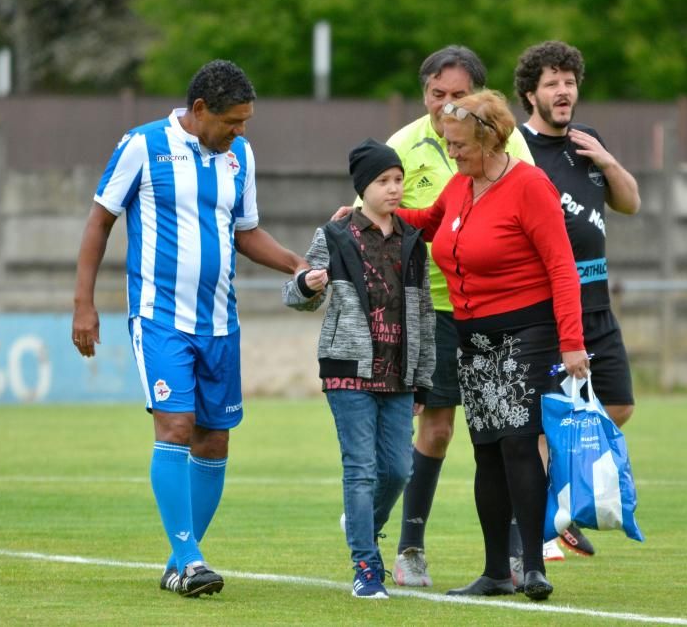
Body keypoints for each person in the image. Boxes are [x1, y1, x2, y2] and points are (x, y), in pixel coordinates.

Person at [71, 60, 309, 598]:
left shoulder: (239, 156)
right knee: (176, 429)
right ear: (200, 110)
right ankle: (191, 557)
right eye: (232, 121)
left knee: (214, 439)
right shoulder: (143, 145)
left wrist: (297, 264)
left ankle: (182, 561)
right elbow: (100, 221)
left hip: (220, 322)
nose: (241, 131)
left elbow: (246, 233)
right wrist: (83, 304)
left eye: (246, 121)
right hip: (160, 319)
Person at [394, 89, 589, 601]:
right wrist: (376, 213)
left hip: (528, 334)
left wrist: (573, 343)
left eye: (458, 144)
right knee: (486, 453)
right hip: (472, 339)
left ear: (489, 137)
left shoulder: (530, 186)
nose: (451, 153)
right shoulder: (460, 186)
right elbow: (428, 224)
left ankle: (533, 566)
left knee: (519, 445)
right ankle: (496, 571)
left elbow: (562, 268)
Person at [284, 139, 436, 599]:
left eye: (398, 181)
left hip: (398, 374)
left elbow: (425, 313)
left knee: (398, 470)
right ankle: (366, 567)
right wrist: (307, 284)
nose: (394, 189)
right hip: (347, 370)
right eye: (384, 181)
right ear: (362, 188)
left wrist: (422, 380)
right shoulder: (333, 235)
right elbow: (293, 297)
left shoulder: (412, 243)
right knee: (361, 468)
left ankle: (362, 524)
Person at [514, 41, 641, 557]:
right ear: (530, 94)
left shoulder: (589, 143)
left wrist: (608, 161)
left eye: (569, 81)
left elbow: (630, 202)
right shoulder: (518, 150)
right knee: (547, 415)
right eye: (552, 83)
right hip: (547, 306)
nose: (564, 91)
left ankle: (558, 501)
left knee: (620, 404)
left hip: (597, 301)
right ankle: (548, 523)